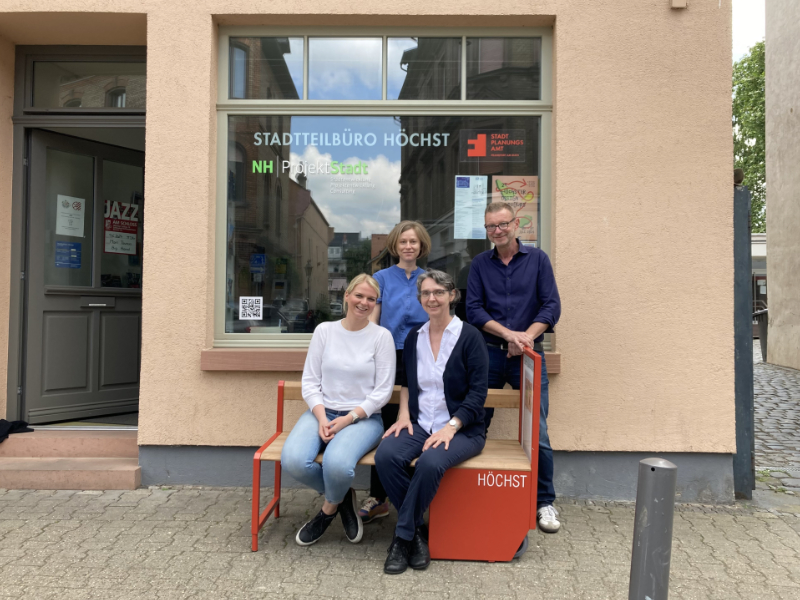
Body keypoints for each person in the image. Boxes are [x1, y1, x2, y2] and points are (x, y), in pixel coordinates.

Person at [375, 270, 489, 574]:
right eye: (425, 293)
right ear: (420, 299)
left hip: (463, 429)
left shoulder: (470, 337)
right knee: (385, 456)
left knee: (429, 462)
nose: (432, 298)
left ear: (452, 295)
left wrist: (451, 427)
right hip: (421, 423)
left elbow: (478, 394)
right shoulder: (415, 336)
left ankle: (402, 538)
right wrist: (403, 416)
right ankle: (417, 531)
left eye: (438, 292)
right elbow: (407, 383)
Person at [466, 201, 562, 534]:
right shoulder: (480, 264)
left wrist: (525, 338)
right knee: (476, 424)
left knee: (538, 432)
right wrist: (509, 335)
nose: (497, 231)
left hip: (529, 357)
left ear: (516, 224)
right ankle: (472, 491)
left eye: (503, 224)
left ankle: (544, 501)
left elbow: (551, 306)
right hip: (489, 355)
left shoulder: (538, 260)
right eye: (491, 226)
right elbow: (473, 310)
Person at [281, 273, 396, 546]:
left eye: (371, 299)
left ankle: (327, 509)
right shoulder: (324, 331)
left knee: (338, 466)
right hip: (322, 412)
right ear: (346, 295)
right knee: (293, 460)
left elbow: (383, 392)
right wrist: (321, 416)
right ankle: (343, 496)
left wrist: (349, 418)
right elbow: (310, 382)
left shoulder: (381, 337)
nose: (364, 302)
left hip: (363, 419)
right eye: (359, 295)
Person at [358, 221, 432, 524]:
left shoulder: (428, 279)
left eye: (413, 241)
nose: (408, 246)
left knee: (416, 425)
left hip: (422, 356)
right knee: (386, 425)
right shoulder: (381, 278)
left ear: (421, 245)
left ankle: (414, 493)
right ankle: (379, 497)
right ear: (395, 246)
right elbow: (373, 321)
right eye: (403, 242)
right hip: (389, 355)